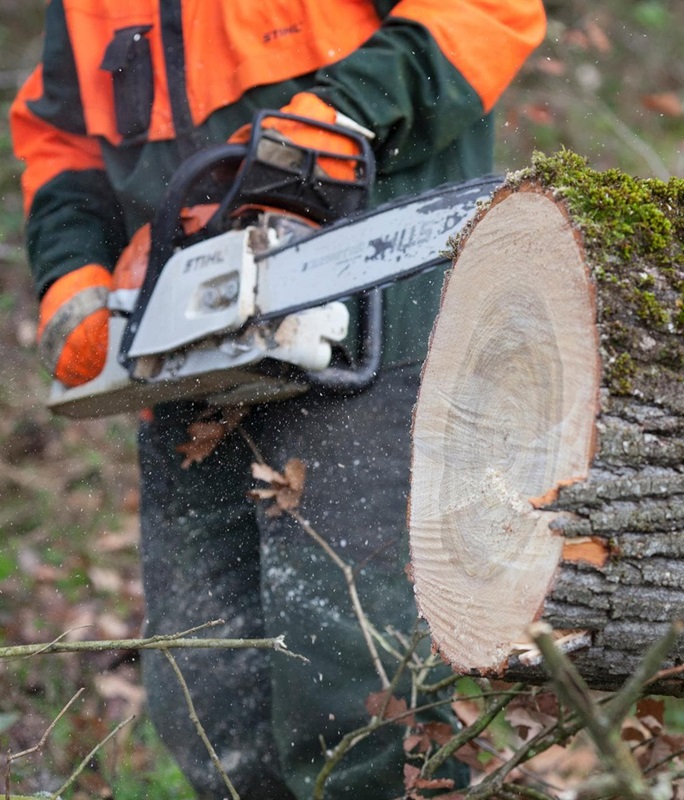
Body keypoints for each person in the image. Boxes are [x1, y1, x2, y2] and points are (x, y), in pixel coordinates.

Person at [11, 2, 547, 797]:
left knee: (359, 693)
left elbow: (487, 12)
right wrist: (73, 273)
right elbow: (61, 137)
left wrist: (340, 115)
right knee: (210, 699)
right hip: (184, 357)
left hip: (369, 332)